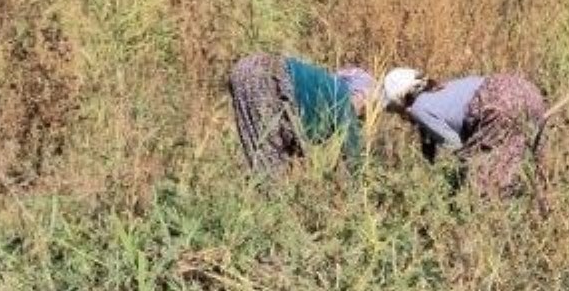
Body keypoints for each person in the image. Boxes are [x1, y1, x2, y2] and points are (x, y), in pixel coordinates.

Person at [381, 67, 547, 198]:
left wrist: (452, 183)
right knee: (532, 166)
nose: (400, 116)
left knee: (484, 190)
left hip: (497, 107)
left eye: (395, 110)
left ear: (401, 99)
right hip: (526, 90)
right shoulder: (446, 88)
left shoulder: (418, 109)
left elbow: (454, 145)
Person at [229, 54, 372, 175]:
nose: (363, 113)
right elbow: (353, 157)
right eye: (367, 105)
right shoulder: (343, 98)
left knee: (261, 154)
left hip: (249, 68)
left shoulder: (324, 87)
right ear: (359, 93)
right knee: (269, 164)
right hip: (266, 75)